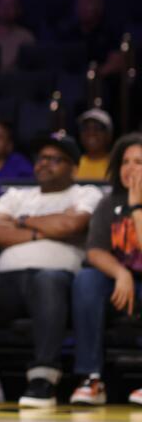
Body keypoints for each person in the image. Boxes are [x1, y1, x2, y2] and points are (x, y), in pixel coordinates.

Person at [0, 133, 103, 408]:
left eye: (55, 159)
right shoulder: (17, 195)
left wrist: (20, 221)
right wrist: (44, 230)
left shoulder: (86, 193)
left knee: (47, 280)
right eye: (42, 158)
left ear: (74, 168)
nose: (45, 163)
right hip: (8, 281)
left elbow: (71, 226)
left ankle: (43, 379)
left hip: (58, 280)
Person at [69, 133, 142, 406]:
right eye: (125, 161)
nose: (130, 168)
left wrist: (137, 206)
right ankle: (91, 378)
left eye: (139, 162)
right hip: (119, 287)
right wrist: (121, 273)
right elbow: (95, 251)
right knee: (87, 280)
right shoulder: (108, 203)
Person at [76, 108, 113, 182]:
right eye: (86, 128)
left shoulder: (116, 166)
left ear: (108, 135)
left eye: (97, 128)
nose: (91, 133)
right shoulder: (72, 165)